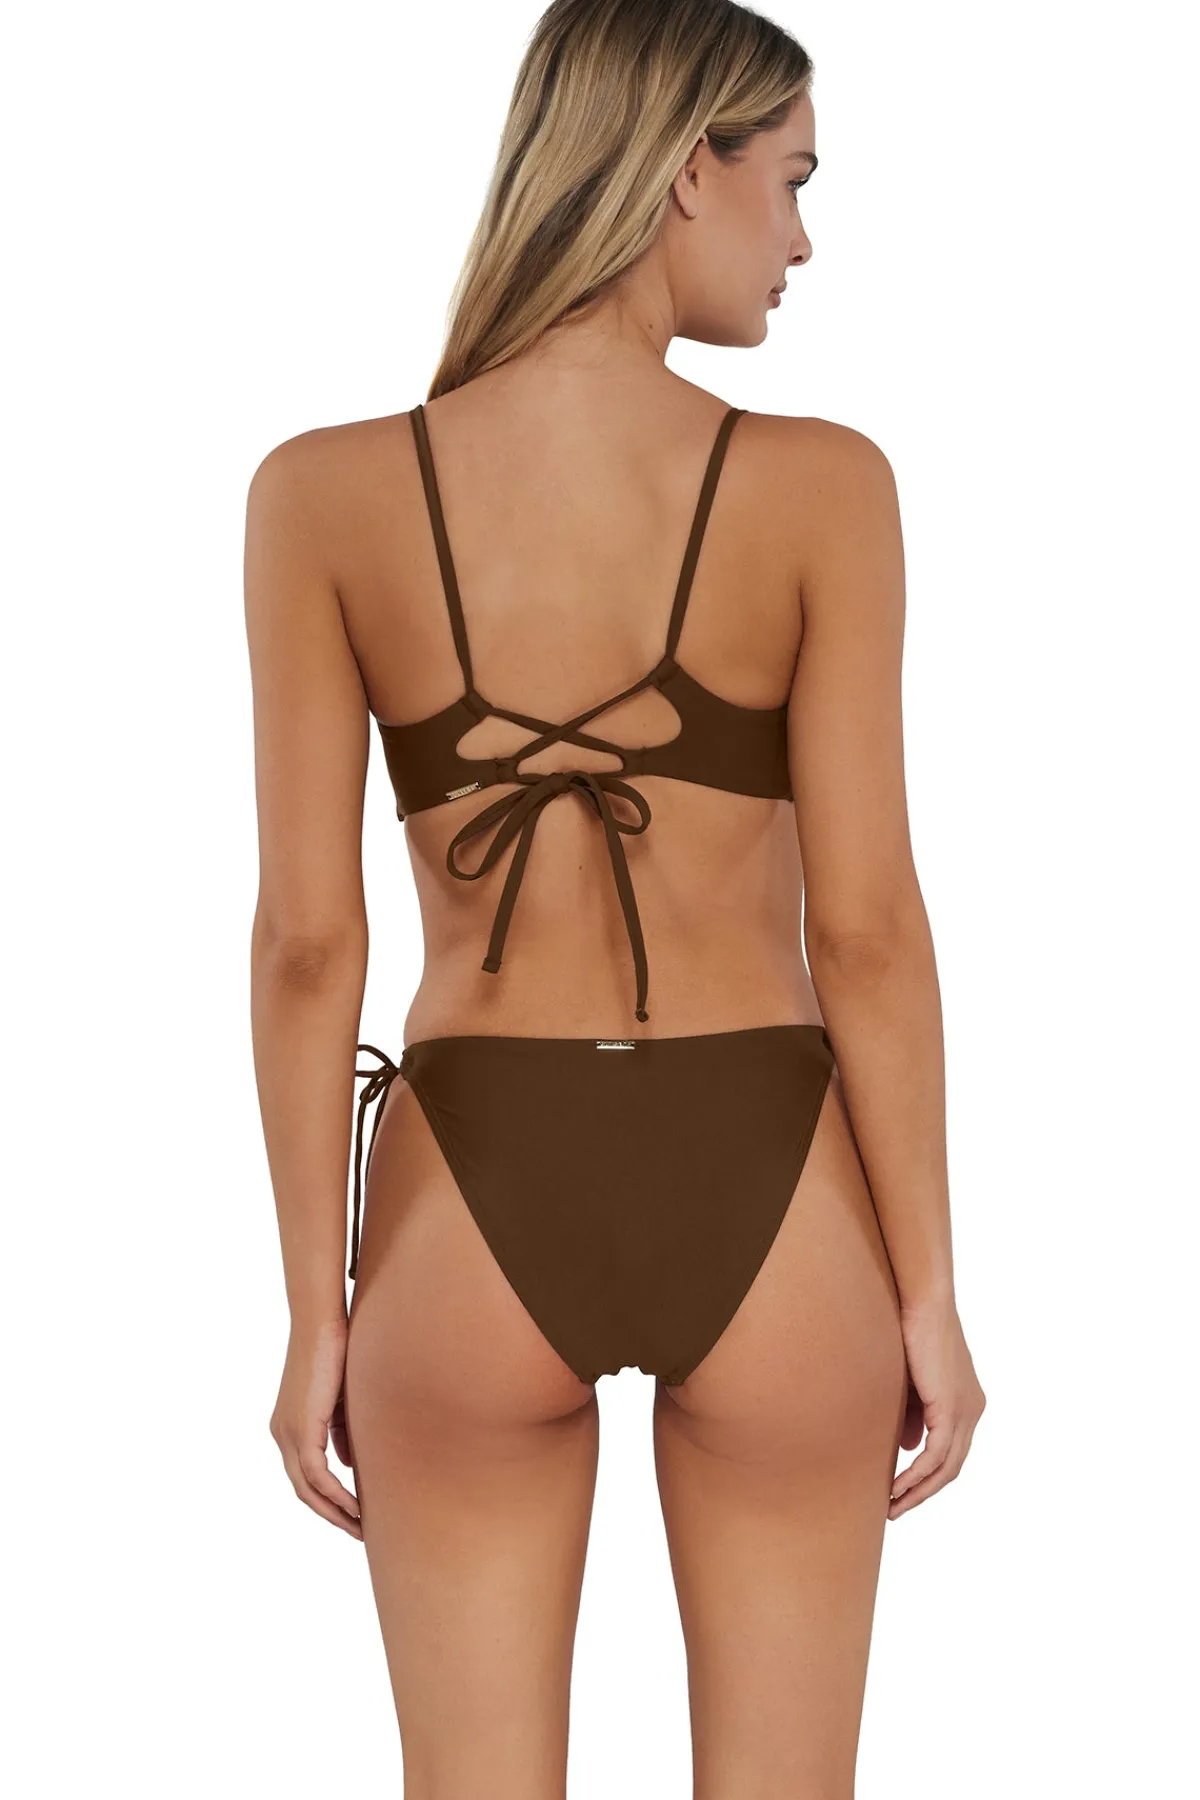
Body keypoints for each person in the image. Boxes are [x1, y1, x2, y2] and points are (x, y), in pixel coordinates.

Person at [244, 0, 986, 1792]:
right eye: (792, 180)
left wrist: (315, 1311)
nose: (803, 239)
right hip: (773, 1179)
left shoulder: (323, 495)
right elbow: (867, 932)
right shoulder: (822, 488)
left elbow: (306, 947)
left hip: (467, 1193)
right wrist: (932, 1292)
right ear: (681, 172)